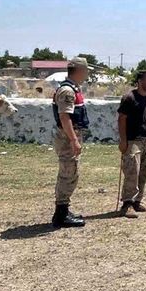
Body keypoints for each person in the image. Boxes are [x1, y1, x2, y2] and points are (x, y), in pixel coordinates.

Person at [51, 57, 91, 228]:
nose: (87, 74)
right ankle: (60, 215)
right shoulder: (67, 91)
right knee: (67, 173)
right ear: (80, 70)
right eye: (86, 70)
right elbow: (64, 117)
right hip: (67, 137)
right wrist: (74, 140)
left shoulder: (72, 88)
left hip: (70, 135)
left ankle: (64, 210)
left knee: (71, 173)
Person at [116, 70, 146, 218]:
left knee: (143, 173)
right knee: (131, 172)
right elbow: (122, 119)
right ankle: (127, 204)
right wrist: (123, 140)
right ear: (140, 81)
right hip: (133, 140)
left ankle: (137, 201)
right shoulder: (129, 98)